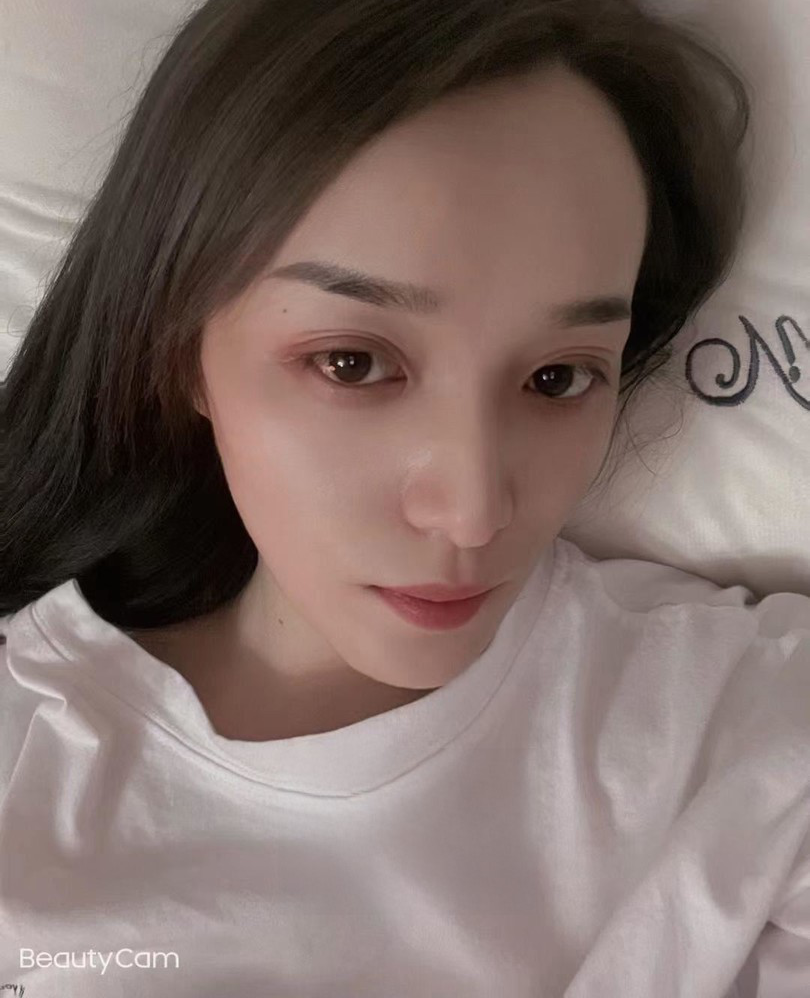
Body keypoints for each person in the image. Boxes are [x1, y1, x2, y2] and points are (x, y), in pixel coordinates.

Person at [1, 0, 807, 994]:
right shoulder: (28, 749)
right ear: (179, 355)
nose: (472, 513)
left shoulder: (747, 736)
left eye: (559, 377)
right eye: (352, 361)